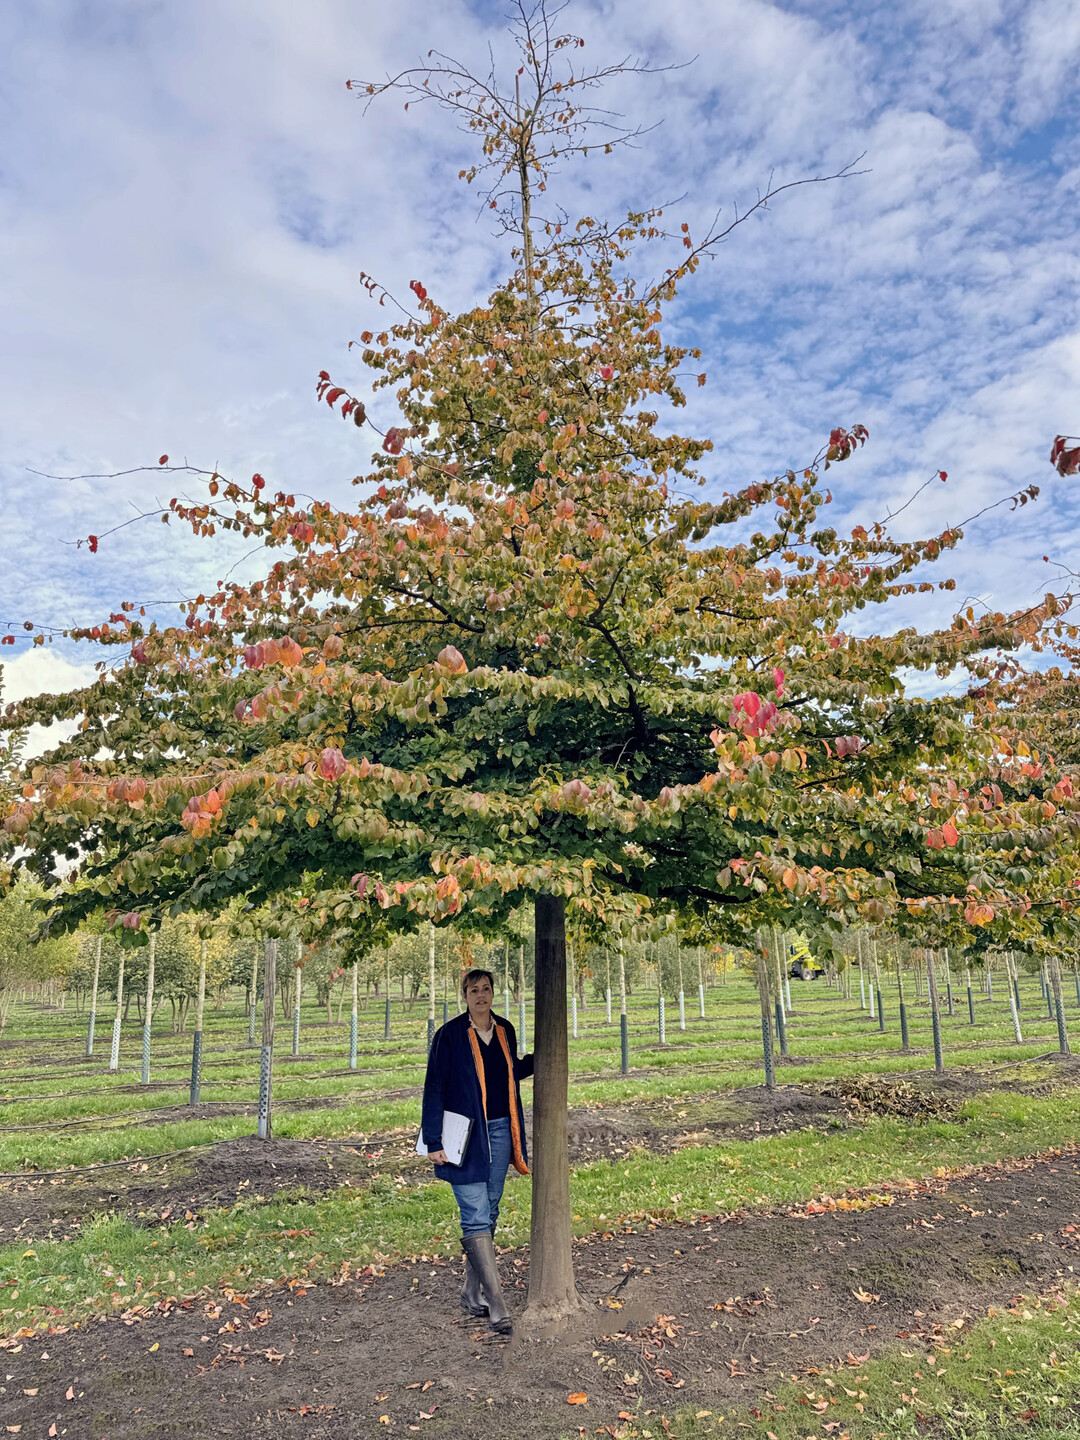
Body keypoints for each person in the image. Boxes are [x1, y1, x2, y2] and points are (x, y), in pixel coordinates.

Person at [421, 966, 533, 1335]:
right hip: (465, 1138)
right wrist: (433, 1141)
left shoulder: (504, 1030)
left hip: (501, 1132)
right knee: (475, 1213)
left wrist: (540, 1056)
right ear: (464, 996)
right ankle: (498, 1306)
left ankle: (471, 1292)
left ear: (493, 993)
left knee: (490, 1208)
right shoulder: (449, 1035)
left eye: (486, 989)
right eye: (474, 990)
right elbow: (434, 1087)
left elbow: (509, 1071)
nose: (481, 995)